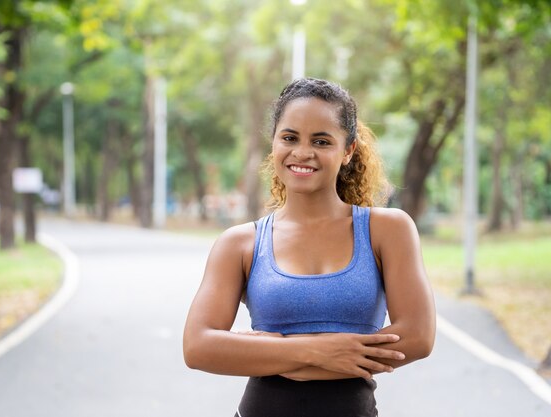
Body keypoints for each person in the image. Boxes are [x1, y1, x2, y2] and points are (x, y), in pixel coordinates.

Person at [183, 77, 436, 417]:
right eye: (289, 138)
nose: (303, 152)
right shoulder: (240, 243)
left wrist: (275, 352)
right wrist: (315, 351)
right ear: (274, 143)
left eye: (321, 140)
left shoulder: (387, 230)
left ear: (348, 151)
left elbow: (417, 336)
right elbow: (198, 346)